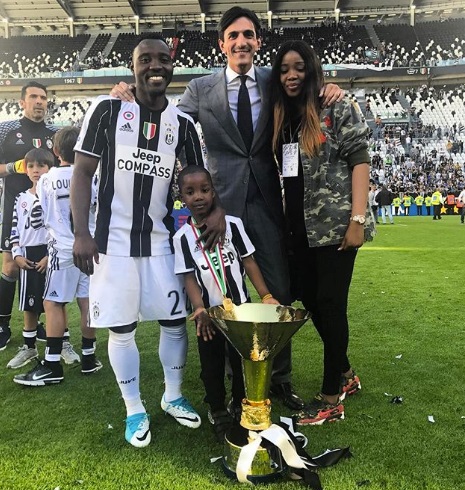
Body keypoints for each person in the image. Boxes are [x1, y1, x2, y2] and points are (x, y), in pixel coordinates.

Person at [111, 6, 343, 411]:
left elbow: (304, 88)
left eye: (248, 35)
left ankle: (278, 379)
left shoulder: (273, 80)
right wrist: (132, 93)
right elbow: (168, 122)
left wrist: (330, 88)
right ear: (222, 44)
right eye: (233, 36)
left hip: (267, 203)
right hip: (219, 205)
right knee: (221, 291)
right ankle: (234, 381)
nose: (241, 42)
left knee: (277, 292)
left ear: (258, 41)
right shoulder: (200, 88)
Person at [71, 35, 217, 448]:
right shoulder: (107, 109)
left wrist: (216, 210)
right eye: (145, 59)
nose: (155, 66)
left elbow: (198, 180)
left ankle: (173, 396)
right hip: (112, 243)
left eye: (163, 59)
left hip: (161, 241)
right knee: (122, 329)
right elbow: (82, 172)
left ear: (172, 66)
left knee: (174, 321)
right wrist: (81, 232)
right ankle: (134, 408)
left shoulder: (182, 124)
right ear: (132, 67)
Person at [269, 40, 374, 425]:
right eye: (284, 69)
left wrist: (357, 220)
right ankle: (345, 372)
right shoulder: (283, 117)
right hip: (300, 230)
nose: (291, 75)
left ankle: (331, 397)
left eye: (299, 67)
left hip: (336, 226)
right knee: (312, 300)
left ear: (312, 70)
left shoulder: (337, 107)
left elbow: (360, 160)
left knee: (330, 304)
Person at [173, 165, 279, 442]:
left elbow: (249, 261)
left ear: (213, 192)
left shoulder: (232, 225)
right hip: (208, 316)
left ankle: (240, 403)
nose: (198, 196)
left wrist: (266, 295)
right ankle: (217, 408)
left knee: (242, 361)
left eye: (204, 190)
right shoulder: (182, 238)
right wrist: (198, 307)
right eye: (190, 192)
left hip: (241, 312)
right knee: (211, 365)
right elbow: (188, 277)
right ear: (182, 197)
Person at [13, 127, 102, 386]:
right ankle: (89, 358)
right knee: (86, 301)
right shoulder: (92, 176)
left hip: (62, 248)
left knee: (53, 303)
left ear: (55, 151)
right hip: (90, 247)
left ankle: (52, 364)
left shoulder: (47, 179)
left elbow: (44, 213)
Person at [0, 81, 58, 351]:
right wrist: (15, 167)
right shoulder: (6, 130)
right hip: (15, 208)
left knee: (44, 265)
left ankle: (38, 320)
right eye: (33, 97)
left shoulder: (55, 133)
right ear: (22, 102)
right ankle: (2, 324)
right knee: (11, 266)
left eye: (43, 98)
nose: (39, 102)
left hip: (47, 212)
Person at [6, 149, 52, 369]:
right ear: (25, 170)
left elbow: (60, 228)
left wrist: (50, 255)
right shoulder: (20, 198)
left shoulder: (54, 196)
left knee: (55, 302)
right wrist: (16, 253)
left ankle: (61, 344)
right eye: (31, 166)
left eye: (41, 166)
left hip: (50, 253)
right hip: (27, 255)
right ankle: (29, 347)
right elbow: (15, 228)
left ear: (50, 169)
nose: (36, 170)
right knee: (29, 304)